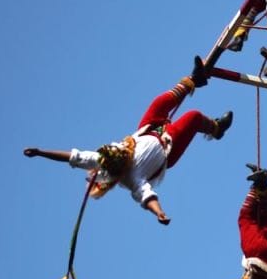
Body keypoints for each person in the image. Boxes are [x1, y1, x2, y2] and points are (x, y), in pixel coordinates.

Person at [23, 59, 232, 225]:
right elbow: (146, 196)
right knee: (193, 117)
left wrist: (41, 152)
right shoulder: (132, 177)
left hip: (148, 129)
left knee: (159, 103)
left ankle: (194, 79)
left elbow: (73, 157)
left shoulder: (99, 158)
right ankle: (216, 128)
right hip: (169, 147)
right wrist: (159, 213)